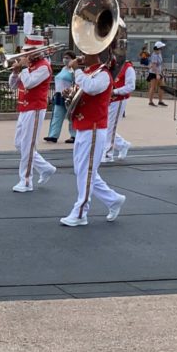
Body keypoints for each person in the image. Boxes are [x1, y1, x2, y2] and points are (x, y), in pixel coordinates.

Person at [60, 49, 125, 226]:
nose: (80, 56)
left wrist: (76, 71)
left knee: (86, 171)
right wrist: (70, 94)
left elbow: (91, 88)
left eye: (84, 53)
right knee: (83, 171)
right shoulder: (90, 72)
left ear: (94, 55)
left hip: (95, 128)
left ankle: (81, 212)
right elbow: (83, 93)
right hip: (83, 127)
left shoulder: (103, 74)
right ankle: (113, 199)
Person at [9, 28, 56, 193]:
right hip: (24, 107)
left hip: (35, 108)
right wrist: (15, 72)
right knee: (19, 143)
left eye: (28, 52)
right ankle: (45, 168)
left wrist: (22, 68)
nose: (24, 54)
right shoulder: (29, 66)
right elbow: (13, 85)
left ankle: (26, 180)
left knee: (28, 145)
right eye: (25, 51)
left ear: (36, 52)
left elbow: (29, 83)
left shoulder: (44, 67)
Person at [103, 53, 136, 163]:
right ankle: (122, 145)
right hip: (109, 100)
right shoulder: (112, 67)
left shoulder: (128, 68)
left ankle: (108, 154)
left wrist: (115, 91)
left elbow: (130, 86)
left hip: (118, 100)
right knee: (106, 127)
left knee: (110, 127)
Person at [45, 52, 77, 143]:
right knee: (57, 116)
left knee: (71, 117)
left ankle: (74, 135)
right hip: (59, 95)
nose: (65, 59)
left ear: (73, 59)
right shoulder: (63, 68)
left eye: (67, 58)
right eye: (64, 57)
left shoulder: (74, 70)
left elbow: (76, 83)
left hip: (69, 95)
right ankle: (53, 136)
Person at [147, 42, 166, 107]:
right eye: (161, 48)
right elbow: (154, 66)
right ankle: (150, 101)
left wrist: (162, 72)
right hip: (154, 73)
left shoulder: (159, 54)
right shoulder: (154, 55)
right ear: (158, 48)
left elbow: (160, 64)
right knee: (153, 87)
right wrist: (157, 74)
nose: (162, 49)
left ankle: (160, 101)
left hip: (159, 72)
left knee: (162, 86)